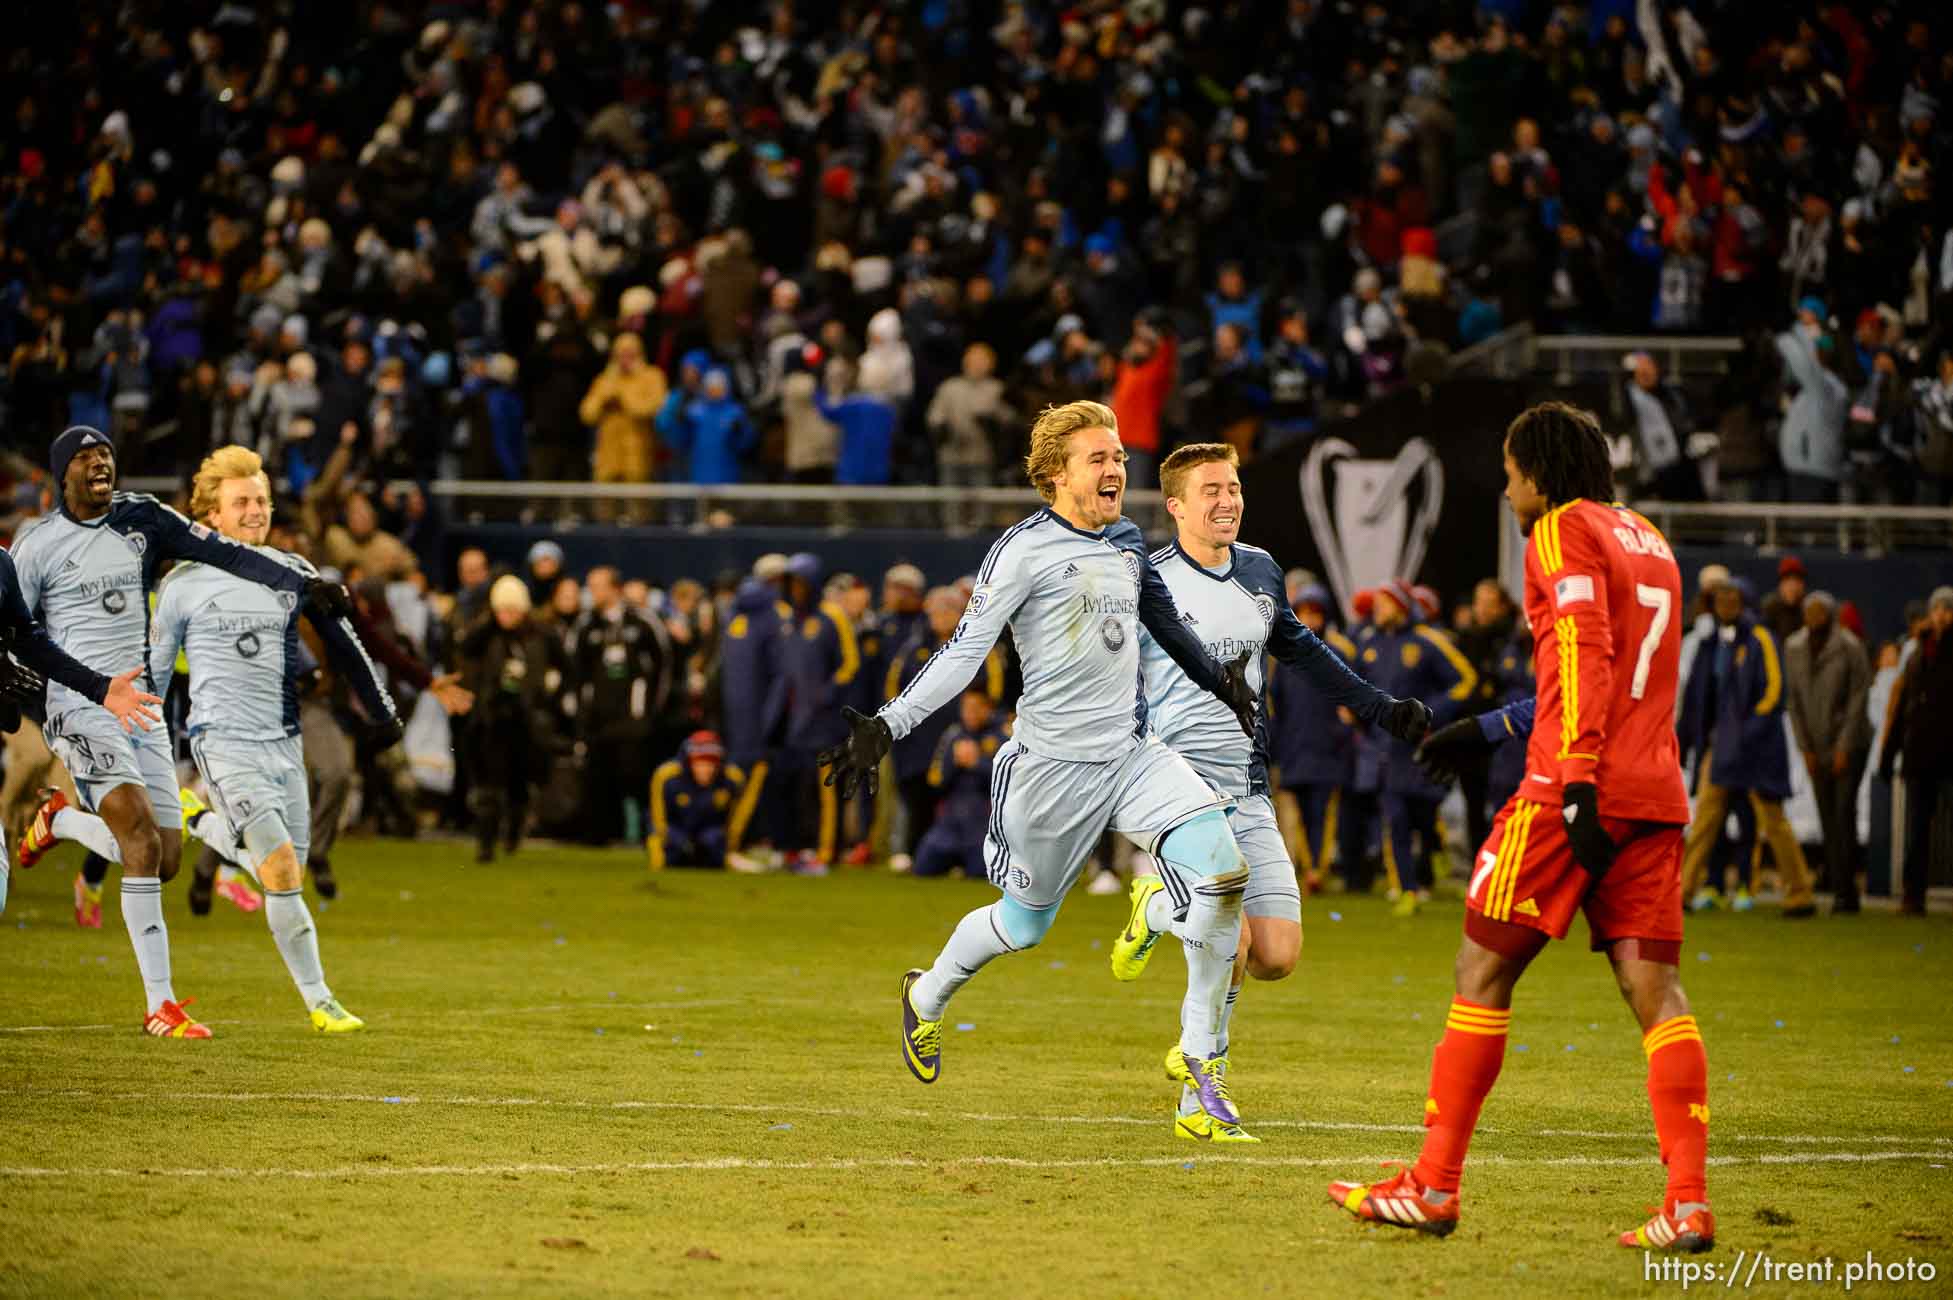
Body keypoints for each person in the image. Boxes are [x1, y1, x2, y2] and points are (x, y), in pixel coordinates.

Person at [820, 401, 1267, 1137]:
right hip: (1051, 771)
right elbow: (965, 652)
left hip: (1132, 755)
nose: (1117, 468)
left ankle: (1198, 1079)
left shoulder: (1126, 541)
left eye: (1119, 456)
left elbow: (1163, 621)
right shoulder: (1022, 551)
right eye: (1100, 458)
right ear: (1057, 473)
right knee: (1023, 928)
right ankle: (925, 996)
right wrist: (889, 723)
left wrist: (1225, 685)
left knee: (1221, 872)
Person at [1333, 402, 1715, 1255]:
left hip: (1569, 788)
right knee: (1654, 991)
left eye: (1509, 476)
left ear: (1536, 475)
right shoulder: (1646, 539)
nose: (1508, 494)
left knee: (1480, 967)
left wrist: (1573, 781)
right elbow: (1616, 669)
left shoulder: (1556, 530)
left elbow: (1581, 647)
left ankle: (1432, 1185)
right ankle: (1686, 1203)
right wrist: (1486, 729)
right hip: (1654, 792)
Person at [1117, 443, 1429, 1140]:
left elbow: (1300, 648)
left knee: (1275, 956)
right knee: (1231, 936)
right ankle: (1201, 1091)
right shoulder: (1146, 583)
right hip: (1176, 787)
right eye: (1210, 491)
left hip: (1247, 786)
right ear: (1175, 507)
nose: (1226, 500)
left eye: (1232, 487)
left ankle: (1160, 909)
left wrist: (1382, 708)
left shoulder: (1259, 569)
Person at [12, 427, 352, 1039]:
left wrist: (301, 585)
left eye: (108, 455)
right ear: (61, 474)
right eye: (87, 458)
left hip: (139, 712)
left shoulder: (143, 519)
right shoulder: (36, 547)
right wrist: (52, 698)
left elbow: (226, 552)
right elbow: (21, 634)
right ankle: (159, 1007)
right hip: (81, 709)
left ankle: (58, 820)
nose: (101, 464)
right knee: (139, 838)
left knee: (162, 861)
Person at [146, 446, 398, 1032]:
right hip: (221, 742)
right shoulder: (183, 583)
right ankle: (320, 1001)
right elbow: (155, 675)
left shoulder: (294, 573)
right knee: (279, 868)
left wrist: (381, 714)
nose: (256, 510)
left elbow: (345, 644)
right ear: (211, 515)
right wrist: (149, 746)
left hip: (283, 742)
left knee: (289, 878)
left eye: (261, 499)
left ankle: (195, 820)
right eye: (242, 502)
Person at [1677, 577, 1817, 917]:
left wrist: (1748, 732)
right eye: (1719, 599)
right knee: (1704, 821)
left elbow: (1774, 692)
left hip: (1755, 750)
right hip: (1721, 749)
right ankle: (1680, 893)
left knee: (1774, 822)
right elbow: (1699, 700)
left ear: (1744, 602)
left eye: (1731, 598)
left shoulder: (1760, 639)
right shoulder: (1711, 643)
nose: (1725, 604)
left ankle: (1799, 894)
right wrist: (1690, 740)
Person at [1358, 578, 1478, 914]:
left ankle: (1434, 869)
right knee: (1394, 816)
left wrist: (1431, 713)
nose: (1377, 611)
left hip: (1423, 745)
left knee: (1425, 815)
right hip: (1387, 748)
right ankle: (1407, 888)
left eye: (1384, 603)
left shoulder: (1427, 642)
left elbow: (1466, 679)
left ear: (1399, 605)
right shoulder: (1370, 644)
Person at [456, 575, 563, 863]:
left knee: (519, 784)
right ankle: (486, 844)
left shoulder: (541, 634)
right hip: (492, 717)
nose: (506, 616)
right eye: (502, 610)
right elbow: (466, 647)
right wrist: (490, 622)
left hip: (528, 718)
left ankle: (514, 831)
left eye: (512, 610)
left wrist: (549, 692)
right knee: (489, 786)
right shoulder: (488, 633)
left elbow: (564, 666)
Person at [565, 566, 671, 844]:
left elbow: (663, 668)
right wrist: (581, 711)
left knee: (635, 775)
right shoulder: (586, 625)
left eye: (597, 586)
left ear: (615, 588)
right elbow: (574, 671)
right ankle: (599, 834)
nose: (592, 593)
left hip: (633, 718)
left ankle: (647, 833)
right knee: (598, 777)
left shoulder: (642, 622)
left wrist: (649, 712)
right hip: (597, 718)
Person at [1783, 592, 1872, 913]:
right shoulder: (1793, 647)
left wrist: (1844, 746)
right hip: (1816, 745)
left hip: (1850, 743)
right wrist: (1805, 748)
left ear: (1831, 614)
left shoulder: (1849, 646)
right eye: (1810, 611)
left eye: (1820, 612)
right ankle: (1837, 887)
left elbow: (1859, 698)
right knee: (1827, 818)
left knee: (1843, 812)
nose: (1814, 616)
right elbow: (1793, 702)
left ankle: (1847, 892)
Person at [1266, 584, 1358, 893]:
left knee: (1324, 813)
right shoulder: (1284, 654)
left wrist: (1343, 732)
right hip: (1294, 747)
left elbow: (1354, 697)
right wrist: (1275, 742)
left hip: (1327, 748)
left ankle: (1318, 870)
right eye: (1303, 612)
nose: (1308, 619)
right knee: (1299, 814)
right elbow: (1274, 703)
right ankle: (1308, 869)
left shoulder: (1341, 651)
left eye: (1314, 613)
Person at [778, 552, 860, 872]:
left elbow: (850, 664)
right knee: (802, 790)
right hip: (797, 721)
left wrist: (828, 695)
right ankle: (803, 847)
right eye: (791, 583)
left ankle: (827, 851)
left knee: (827, 790)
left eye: (800, 583)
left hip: (825, 723)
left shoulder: (831, 617)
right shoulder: (790, 620)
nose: (795, 589)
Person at [1878, 587, 1953, 914]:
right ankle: (1913, 894)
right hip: (1920, 752)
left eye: (1947, 609)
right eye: (1937, 608)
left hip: (1949, 750)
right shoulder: (1917, 652)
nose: (1941, 615)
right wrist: (1888, 752)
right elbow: (1901, 707)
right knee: (1917, 829)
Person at [913, 691, 1005, 878]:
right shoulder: (953, 735)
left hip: (983, 821)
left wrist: (977, 763)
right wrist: (953, 763)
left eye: (975, 708)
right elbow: (935, 781)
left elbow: (1011, 782)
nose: (969, 713)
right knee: (923, 866)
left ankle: (964, 864)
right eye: (966, 708)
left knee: (980, 871)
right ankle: (954, 862)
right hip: (951, 820)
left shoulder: (1002, 737)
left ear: (987, 709)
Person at [648, 731, 745, 870]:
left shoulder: (732, 779)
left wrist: (730, 851)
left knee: (714, 840)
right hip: (677, 832)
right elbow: (658, 821)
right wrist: (659, 855)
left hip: (710, 834)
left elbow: (736, 821)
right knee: (672, 851)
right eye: (700, 763)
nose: (706, 769)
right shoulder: (666, 776)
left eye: (711, 764)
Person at [1760, 556, 1807, 644]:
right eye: (1787, 581)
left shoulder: (1808, 608)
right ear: (1780, 585)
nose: (1793, 587)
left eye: (1797, 581)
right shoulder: (1769, 607)